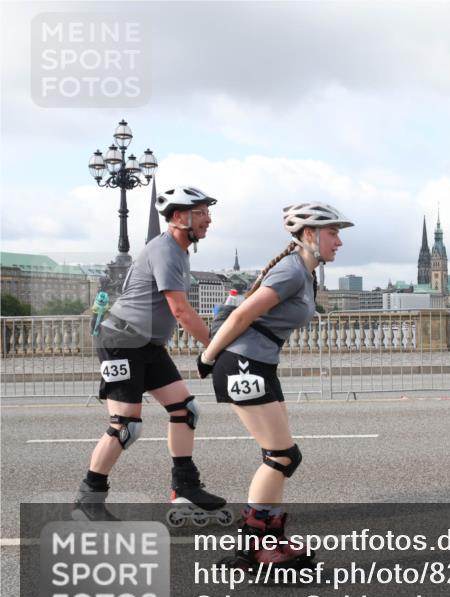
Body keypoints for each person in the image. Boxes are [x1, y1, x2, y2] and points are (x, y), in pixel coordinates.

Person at [197, 201, 350, 567]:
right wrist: (207, 357)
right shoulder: (291, 272)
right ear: (309, 235)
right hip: (244, 364)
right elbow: (243, 313)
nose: (339, 241)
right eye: (333, 233)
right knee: (282, 456)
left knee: (281, 457)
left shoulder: (305, 272)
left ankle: (271, 540)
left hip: (260, 364)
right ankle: (253, 547)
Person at [75, 186, 229, 524]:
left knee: (185, 409)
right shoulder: (166, 251)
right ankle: (88, 499)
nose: (208, 219)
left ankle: (185, 486)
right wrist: (217, 349)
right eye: (201, 212)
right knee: (125, 425)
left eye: (207, 212)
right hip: (122, 341)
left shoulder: (179, 251)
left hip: (146, 344)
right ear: (178, 217)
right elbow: (182, 312)